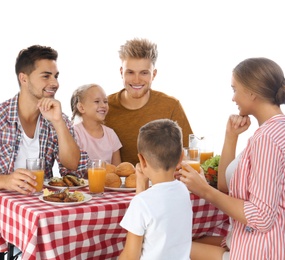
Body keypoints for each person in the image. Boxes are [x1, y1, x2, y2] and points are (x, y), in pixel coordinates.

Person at [0, 45, 88, 260]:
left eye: (56, 76)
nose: (55, 83)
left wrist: (59, 123)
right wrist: (6, 181)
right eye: (46, 76)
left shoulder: (55, 117)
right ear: (24, 78)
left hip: (37, 221)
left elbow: (73, 167)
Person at [179, 57, 285, 259]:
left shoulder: (268, 139)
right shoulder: (279, 131)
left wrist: (203, 190)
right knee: (186, 239)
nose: (233, 98)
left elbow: (261, 217)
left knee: (168, 246)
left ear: (251, 92)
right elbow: (225, 188)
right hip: (273, 241)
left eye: (234, 89)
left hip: (266, 250)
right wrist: (231, 136)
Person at [104, 38, 193, 166]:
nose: (136, 80)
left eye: (144, 73)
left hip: (160, 185)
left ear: (154, 74)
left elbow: (189, 155)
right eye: (130, 72)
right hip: (115, 184)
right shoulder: (105, 108)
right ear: (121, 72)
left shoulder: (170, 106)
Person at [119, 119, 193, 260]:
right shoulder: (183, 190)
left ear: (142, 160)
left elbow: (130, 256)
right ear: (181, 158)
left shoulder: (141, 203)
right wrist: (141, 182)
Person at [70, 83, 122, 165]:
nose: (103, 105)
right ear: (81, 107)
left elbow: (117, 170)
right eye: (97, 101)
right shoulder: (75, 133)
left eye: (105, 101)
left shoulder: (111, 134)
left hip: (107, 178)